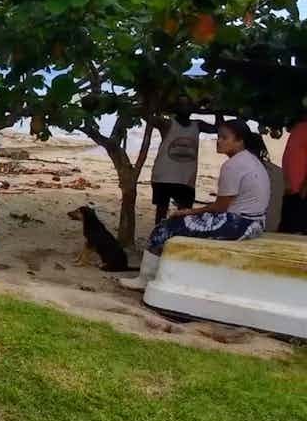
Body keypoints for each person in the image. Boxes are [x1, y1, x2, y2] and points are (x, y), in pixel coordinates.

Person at [123, 119, 273, 289]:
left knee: (165, 227)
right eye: (218, 137)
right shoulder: (251, 160)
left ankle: (145, 278)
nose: (219, 141)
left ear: (240, 141)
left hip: (239, 224)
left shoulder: (233, 165)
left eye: (225, 138)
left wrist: (188, 212)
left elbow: (220, 207)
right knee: (184, 222)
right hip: (256, 223)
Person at [149, 103, 217, 226]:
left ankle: (175, 237)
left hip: (186, 178)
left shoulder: (198, 125)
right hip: (164, 176)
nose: (185, 105)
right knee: (161, 211)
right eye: (181, 102)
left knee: (184, 213)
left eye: (187, 102)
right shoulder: (167, 123)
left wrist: (217, 111)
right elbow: (148, 117)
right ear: (175, 108)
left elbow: (219, 128)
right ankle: (159, 237)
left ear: (193, 107)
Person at [280, 114, 307, 234]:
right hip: (292, 191)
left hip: (302, 192)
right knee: (287, 231)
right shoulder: (299, 129)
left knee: (296, 231)